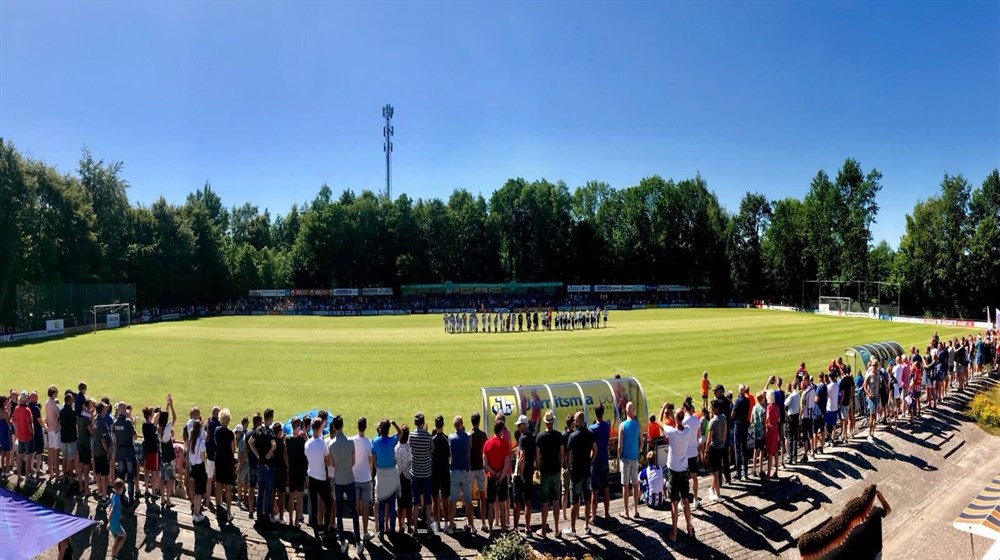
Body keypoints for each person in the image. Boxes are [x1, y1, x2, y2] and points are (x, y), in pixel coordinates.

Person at [329, 415, 359, 553]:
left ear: (334, 427)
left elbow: (333, 464)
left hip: (339, 480)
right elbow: (353, 462)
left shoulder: (331, 444)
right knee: (354, 511)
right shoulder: (350, 442)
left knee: (339, 512)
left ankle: (342, 540)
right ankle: (358, 541)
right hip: (349, 478)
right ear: (342, 425)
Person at [664, 409, 694, 542]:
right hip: (683, 470)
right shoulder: (687, 430)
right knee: (686, 501)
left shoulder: (671, 432)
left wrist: (664, 410)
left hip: (673, 471)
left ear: (675, 419)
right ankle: (689, 528)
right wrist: (675, 416)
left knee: (674, 503)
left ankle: (674, 533)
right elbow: (681, 421)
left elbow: (661, 423)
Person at [565, 411, 596, 537]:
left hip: (576, 473)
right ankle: (587, 526)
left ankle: (572, 528)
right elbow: (596, 449)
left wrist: (569, 467)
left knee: (574, 501)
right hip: (587, 471)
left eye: (575, 421)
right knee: (587, 499)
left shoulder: (573, 436)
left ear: (578, 421)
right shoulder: (590, 434)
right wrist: (590, 461)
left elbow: (569, 455)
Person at [535, 410, 563, 537]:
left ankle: (544, 530)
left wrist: (540, 469)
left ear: (546, 422)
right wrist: (560, 466)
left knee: (545, 502)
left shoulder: (540, 437)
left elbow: (537, 456)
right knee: (556, 500)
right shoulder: (559, 436)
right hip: (556, 471)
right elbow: (562, 454)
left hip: (545, 472)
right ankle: (557, 529)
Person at [372, 418, 400, 538]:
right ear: (388, 430)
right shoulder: (392, 440)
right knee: (392, 506)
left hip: (381, 474)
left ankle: (382, 531)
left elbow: (374, 458)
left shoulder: (375, 441)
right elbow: (401, 433)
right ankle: (392, 529)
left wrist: (376, 468)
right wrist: (394, 423)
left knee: (381, 506)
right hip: (391, 474)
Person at [249, 408, 277, 526]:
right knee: (268, 492)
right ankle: (266, 517)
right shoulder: (270, 432)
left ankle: (259, 515)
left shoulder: (258, 430)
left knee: (260, 491)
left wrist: (257, 454)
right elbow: (274, 445)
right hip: (268, 465)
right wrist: (270, 453)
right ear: (270, 418)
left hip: (260, 464)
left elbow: (250, 442)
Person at [305, 417, 332, 536]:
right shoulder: (322, 443)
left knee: (314, 506)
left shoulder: (307, 443)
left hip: (312, 477)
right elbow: (327, 460)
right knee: (329, 503)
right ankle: (325, 529)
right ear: (319, 427)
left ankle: (316, 532)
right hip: (321, 478)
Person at [409, 412, 435, 536]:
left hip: (415, 473)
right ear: (423, 423)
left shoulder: (411, 436)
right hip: (426, 474)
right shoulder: (428, 436)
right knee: (428, 502)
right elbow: (431, 449)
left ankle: (415, 529)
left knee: (416, 503)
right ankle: (429, 528)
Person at [483, 419, 511, 535]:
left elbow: (485, 464)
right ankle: (503, 531)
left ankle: (490, 530)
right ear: (501, 431)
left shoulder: (487, 443)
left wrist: (493, 473)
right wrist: (500, 475)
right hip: (502, 478)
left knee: (490, 505)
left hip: (491, 478)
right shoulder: (505, 444)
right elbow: (506, 464)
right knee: (503, 506)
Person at [352, 416, 375, 541]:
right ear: (365, 427)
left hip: (355, 477)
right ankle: (365, 532)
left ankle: (357, 532)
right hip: (365, 478)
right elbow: (370, 460)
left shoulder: (352, 440)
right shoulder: (368, 442)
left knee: (356, 507)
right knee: (365, 507)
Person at [448, 415, 472, 534]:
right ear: (462, 424)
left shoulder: (451, 438)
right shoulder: (468, 437)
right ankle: (471, 525)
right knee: (468, 500)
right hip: (465, 471)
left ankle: (451, 524)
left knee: (453, 500)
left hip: (455, 471)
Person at [513, 414, 536, 534]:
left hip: (521, 473)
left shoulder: (522, 438)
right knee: (528, 501)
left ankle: (516, 528)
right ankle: (527, 527)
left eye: (519, 425)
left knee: (517, 501)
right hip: (530, 472)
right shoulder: (533, 437)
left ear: (524, 425)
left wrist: (519, 473)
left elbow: (522, 457)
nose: (517, 427)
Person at [618, 402, 641, 519]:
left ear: (626, 411)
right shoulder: (637, 424)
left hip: (625, 458)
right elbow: (641, 441)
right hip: (634, 457)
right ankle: (636, 510)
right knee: (635, 484)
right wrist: (638, 451)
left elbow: (619, 446)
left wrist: (619, 456)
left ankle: (626, 512)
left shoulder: (622, 425)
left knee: (625, 485)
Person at [588, 404, 611, 521]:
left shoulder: (592, 429)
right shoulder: (607, 425)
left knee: (594, 491)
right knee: (606, 488)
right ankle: (607, 513)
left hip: (596, 461)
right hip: (605, 460)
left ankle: (593, 516)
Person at [112, 402, 137, 507]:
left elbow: (114, 438)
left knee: (120, 476)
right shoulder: (128, 422)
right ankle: (131, 499)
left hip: (120, 452)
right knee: (130, 477)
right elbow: (135, 436)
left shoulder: (114, 423)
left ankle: (121, 498)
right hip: (129, 451)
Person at [214, 410, 237, 523]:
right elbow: (233, 449)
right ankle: (228, 512)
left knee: (218, 484)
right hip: (227, 461)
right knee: (227, 487)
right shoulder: (230, 434)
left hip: (219, 460)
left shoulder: (217, 431)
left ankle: (218, 509)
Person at [469, 412, 489, 533]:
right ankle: (483, 522)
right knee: (482, 496)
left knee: (468, 498)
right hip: (480, 468)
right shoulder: (483, 435)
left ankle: (470, 523)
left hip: (471, 469)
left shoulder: (469, 435)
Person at [430, 415, 451, 533]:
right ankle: (447, 523)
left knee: (435, 498)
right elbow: (449, 457)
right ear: (443, 424)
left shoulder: (432, 440)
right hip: (444, 471)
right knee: (445, 498)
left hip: (434, 471)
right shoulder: (446, 439)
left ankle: (437, 523)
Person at [285, 417, 307, 528]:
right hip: (300, 471)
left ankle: (290, 520)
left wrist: (288, 466)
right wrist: (306, 433)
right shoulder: (302, 440)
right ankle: (297, 521)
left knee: (291, 495)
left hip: (292, 470)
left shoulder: (288, 440)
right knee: (299, 498)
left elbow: (285, 455)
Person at [157, 396, 177, 509]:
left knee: (161, 478)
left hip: (161, 457)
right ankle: (168, 500)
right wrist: (172, 406)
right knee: (170, 479)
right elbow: (174, 418)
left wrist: (167, 406)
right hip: (168, 458)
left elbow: (164, 417)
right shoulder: (168, 428)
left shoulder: (158, 428)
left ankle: (162, 498)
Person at [395, 425, 415, 535]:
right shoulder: (409, 448)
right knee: (408, 503)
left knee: (400, 503)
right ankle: (408, 525)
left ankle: (400, 524)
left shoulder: (396, 447)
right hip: (407, 477)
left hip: (399, 477)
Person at [188, 419, 208, 522]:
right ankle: (197, 513)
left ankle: (195, 512)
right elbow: (203, 458)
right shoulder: (201, 442)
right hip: (200, 467)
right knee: (199, 492)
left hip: (193, 467)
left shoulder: (192, 439)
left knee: (196, 493)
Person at [13, 392, 34, 487]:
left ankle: (18, 477)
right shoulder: (27, 410)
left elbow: (14, 420)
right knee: (28, 457)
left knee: (19, 457)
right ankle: (27, 478)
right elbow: (30, 425)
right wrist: (33, 433)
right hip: (27, 437)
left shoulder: (16, 409)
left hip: (20, 436)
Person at [707, 400, 727, 502]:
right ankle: (712, 488)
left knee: (715, 472)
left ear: (715, 409)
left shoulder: (713, 421)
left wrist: (706, 450)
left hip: (714, 448)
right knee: (717, 470)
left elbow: (709, 438)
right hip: (721, 447)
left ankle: (718, 495)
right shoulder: (723, 417)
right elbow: (725, 432)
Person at [58, 393, 78, 488]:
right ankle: (70, 477)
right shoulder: (72, 412)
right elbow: (76, 423)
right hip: (71, 438)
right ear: (69, 401)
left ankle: (64, 477)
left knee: (64, 458)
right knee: (70, 459)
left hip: (63, 438)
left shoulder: (61, 411)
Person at [731, 386, 750, 481]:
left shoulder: (738, 401)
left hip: (738, 425)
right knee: (744, 449)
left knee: (737, 449)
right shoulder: (747, 400)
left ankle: (739, 472)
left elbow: (732, 414)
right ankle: (745, 472)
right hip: (745, 425)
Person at [271, 422, 288, 525]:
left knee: (273, 495)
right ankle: (281, 517)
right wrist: (288, 467)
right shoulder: (282, 443)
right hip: (281, 471)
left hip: (274, 470)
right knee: (281, 495)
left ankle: (272, 515)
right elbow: (285, 457)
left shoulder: (272, 442)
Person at [140, 406, 158, 499]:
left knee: (147, 471)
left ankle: (146, 490)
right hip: (153, 451)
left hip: (146, 450)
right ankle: (154, 492)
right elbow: (155, 420)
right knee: (154, 473)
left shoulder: (144, 425)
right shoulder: (152, 426)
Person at [108, 479, 127, 560]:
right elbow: (111, 510)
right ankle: (116, 554)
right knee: (124, 536)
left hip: (113, 522)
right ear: (119, 489)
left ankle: (113, 556)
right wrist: (108, 522)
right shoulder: (117, 498)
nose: (123, 489)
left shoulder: (113, 495)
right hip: (115, 523)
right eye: (123, 488)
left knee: (116, 539)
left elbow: (110, 507)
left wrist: (119, 515)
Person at [764, 391, 780, 480]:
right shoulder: (777, 406)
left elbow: (767, 418)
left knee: (770, 452)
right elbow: (779, 418)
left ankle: (768, 475)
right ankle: (776, 471)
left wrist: (766, 425)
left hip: (770, 429)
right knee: (775, 452)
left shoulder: (769, 407)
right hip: (776, 428)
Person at [785, 380, 801, 465]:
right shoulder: (798, 394)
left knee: (790, 438)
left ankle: (791, 457)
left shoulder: (791, 395)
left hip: (791, 417)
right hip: (796, 416)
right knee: (795, 438)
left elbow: (786, 403)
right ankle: (795, 456)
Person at [864, 361, 880, 443]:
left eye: (875, 365)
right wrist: (869, 394)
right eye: (873, 365)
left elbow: (879, 384)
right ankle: (869, 434)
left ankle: (872, 433)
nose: (874, 366)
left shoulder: (878, 374)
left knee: (874, 417)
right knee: (872, 416)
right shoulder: (869, 375)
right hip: (871, 398)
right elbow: (864, 386)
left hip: (876, 397)